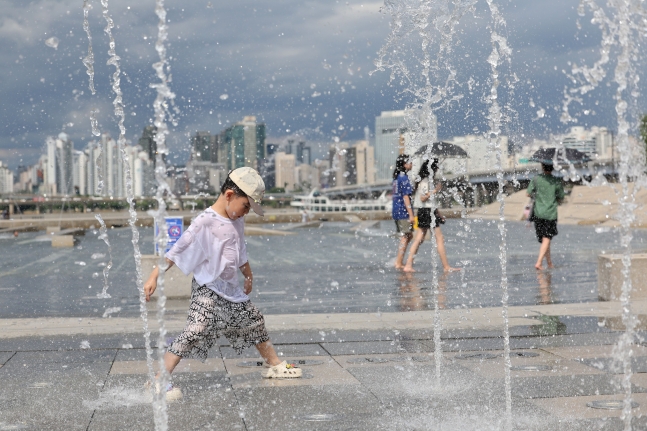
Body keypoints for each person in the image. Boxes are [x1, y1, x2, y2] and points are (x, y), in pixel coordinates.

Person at [143, 167, 302, 402]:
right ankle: (157, 380)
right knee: (195, 330)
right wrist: (155, 274)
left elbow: (240, 251)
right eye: (246, 206)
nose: (246, 213)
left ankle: (275, 365)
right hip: (207, 286)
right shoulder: (205, 221)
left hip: (230, 289)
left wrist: (248, 275)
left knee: (255, 321)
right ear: (229, 195)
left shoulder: (236, 219)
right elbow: (179, 249)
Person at [403, 159, 459, 273]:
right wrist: (434, 191)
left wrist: (439, 214)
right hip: (427, 212)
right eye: (436, 168)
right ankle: (446, 267)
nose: (437, 170)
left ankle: (408, 264)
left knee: (419, 238)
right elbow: (423, 198)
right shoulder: (425, 182)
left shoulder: (427, 181)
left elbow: (430, 202)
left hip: (427, 211)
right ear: (431, 169)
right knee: (438, 238)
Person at [527, 163, 565, 270]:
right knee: (547, 237)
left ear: (542, 167)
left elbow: (528, 193)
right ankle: (539, 263)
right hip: (550, 214)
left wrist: (538, 194)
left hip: (538, 213)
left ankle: (549, 263)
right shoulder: (556, 181)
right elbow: (561, 197)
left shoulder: (535, 179)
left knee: (545, 239)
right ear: (553, 168)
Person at [392, 155, 415, 270]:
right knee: (406, 236)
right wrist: (411, 214)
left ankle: (399, 261)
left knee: (408, 235)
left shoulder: (396, 178)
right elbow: (406, 197)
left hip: (396, 209)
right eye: (410, 162)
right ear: (404, 164)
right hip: (403, 211)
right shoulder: (404, 178)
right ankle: (398, 262)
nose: (412, 164)